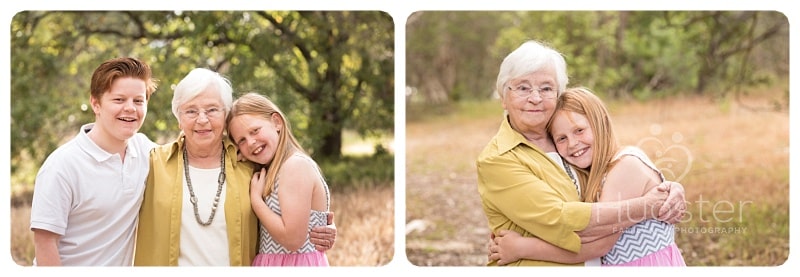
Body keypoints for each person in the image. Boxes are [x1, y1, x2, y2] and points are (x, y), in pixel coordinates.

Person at [476, 40, 686, 266]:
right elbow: (564, 220)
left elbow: (617, 177)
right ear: (502, 96)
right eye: (523, 88)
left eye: (546, 88)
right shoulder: (498, 159)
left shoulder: (565, 147)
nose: (535, 98)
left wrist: (670, 188)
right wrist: (647, 205)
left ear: (558, 96)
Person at [134, 68, 336, 266]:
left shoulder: (251, 167)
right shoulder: (151, 161)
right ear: (179, 119)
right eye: (191, 111)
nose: (202, 119)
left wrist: (322, 225)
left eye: (212, 109)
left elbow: (295, 213)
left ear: (225, 115)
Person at [29, 57, 158, 266]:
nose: (130, 108)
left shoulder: (147, 151)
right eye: (119, 100)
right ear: (96, 104)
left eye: (138, 100)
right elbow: (45, 243)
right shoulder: (62, 166)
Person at [227, 92, 332, 266]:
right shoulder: (270, 169)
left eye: (255, 131)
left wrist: (256, 201)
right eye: (241, 141)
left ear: (277, 122)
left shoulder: (294, 166)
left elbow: (293, 240)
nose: (251, 142)